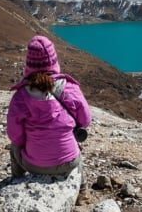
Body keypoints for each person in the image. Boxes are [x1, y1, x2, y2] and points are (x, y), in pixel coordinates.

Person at [7, 35, 91, 177]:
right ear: (53, 61)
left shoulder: (20, 96)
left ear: (29, 64)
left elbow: (15, 136)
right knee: (75, 147)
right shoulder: (70, 88)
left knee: (14, 147)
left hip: (34, 165)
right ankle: (81, 187)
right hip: (69, 162)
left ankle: (17, 180)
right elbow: (85, 121)